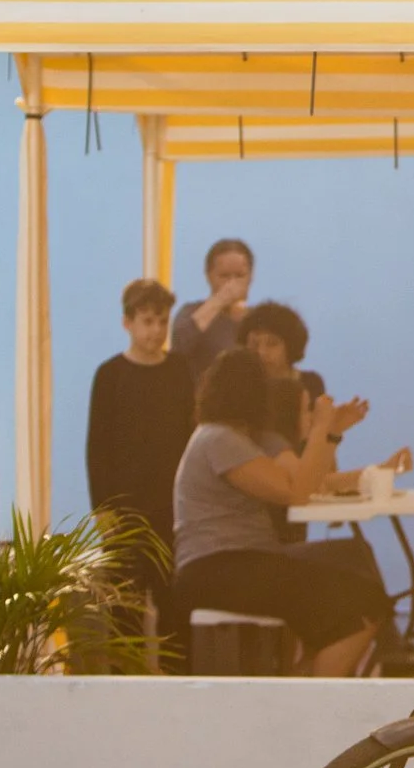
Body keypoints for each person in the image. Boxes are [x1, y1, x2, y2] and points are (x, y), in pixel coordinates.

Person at [168, 350, 391, 676]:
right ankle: (317, 697)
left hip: (237, 560)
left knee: (351, 556)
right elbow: (297, 494)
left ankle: (300, 682)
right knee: (367, 602)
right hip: (219, 568)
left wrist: (330, 434)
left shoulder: (230, 437)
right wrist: (321, 428)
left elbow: (309, 483)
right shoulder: (220, 440)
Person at [84, 279, 197, 600]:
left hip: (170, 505)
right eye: (148, 321)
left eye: (162, 321)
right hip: (124, 506)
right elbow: (97, 447)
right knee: (124, 603)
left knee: (172, 599)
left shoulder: (179, 369)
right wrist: (102, 508)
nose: (156, 331)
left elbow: (190, 436)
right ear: (128, 323)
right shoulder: (110, 374)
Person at [240, 300, 329, 446]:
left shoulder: (310, 383)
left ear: (290, 346)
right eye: (254, 344)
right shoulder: (241, 385)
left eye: (272, 344)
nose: (261, 352)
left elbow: (320, 437)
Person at [170, 237, 253, 386]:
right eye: (224, 276)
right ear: (209, 276)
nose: (232, 283)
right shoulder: (192, 312)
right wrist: (219, 301)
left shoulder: (257, 320)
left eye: (240, 276)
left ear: (250, 276)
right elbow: (178, 348)